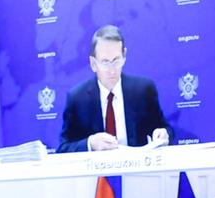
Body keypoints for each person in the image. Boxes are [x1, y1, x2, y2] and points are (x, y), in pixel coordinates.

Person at [57, 25, 171, 153]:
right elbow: (63, 149)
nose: (112, 70)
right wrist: (90, 143)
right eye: (105, 62)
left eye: (116, 60)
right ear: (93, 64)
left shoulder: (143, 90)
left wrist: (163, 134)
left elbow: (165, 130)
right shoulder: (77, 98)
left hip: (136, 170)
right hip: (98, 171)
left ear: (124, 56)